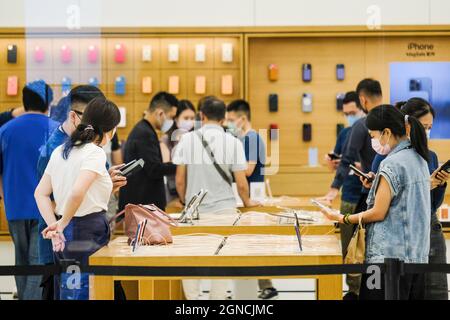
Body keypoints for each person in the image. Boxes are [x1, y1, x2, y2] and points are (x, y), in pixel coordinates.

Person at [321, 105, 431, 300]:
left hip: (387, 259)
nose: (373, 141)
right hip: (416, 258)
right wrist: (376, 184)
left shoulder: (392, 163)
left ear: (386, 132)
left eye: (373, 136)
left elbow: (379, 212)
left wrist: (343, 218)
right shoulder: (420, 158)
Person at [36, 85, 126, 300]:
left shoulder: (61, 149)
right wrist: (63, 222)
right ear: (109, 130)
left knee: (69, 290)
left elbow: (40, 193)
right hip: (86, 229)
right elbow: (76, 192)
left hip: (65, 232)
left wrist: (56, 226)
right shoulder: (93, 152)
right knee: (88, 290)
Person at [173, 97, 259, 300]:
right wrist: (247, 202)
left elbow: (179, 180)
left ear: (201, 116)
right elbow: (241, 183)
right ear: (223, 119)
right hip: (225, 212)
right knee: (220, 261)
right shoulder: (234, 142)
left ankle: (193, 301)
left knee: (191, 259)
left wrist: (186, 202)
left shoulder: (187, 139)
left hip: (195, 213)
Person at [366, 98, 448, 300]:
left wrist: (439, 184)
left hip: (425, 229)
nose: (427, 131)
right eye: (423, 126)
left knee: (435, 291)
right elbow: (383, 202)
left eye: (430, 127)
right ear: (409, 124)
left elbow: (432, 205)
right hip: (397, 240)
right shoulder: (388, 157)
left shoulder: (427, 156)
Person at [0, 80, 58, 300]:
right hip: (45, 207)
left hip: (14, 206)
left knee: (21, 260)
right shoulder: (55, 129)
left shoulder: (5, 130)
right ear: (48, 103)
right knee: (37, 262)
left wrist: (6, 196)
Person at [226, 99, 277, 300]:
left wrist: (228, 166)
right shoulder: (243, 139)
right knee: (246, 244)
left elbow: (247, 169)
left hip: (253, 195)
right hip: (246, 195)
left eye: (231, 120)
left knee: (252, 244)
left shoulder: (252, 138)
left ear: (242, 118)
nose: (229, 124)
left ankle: (265, 286)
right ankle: (251, 288)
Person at [318, 91, 366, 300]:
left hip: (367, 195)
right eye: (346, 113)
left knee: (367, 245)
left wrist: (354, 165)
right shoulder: (345, 133)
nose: (349, 116)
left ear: (362, 106)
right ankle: (353, 290)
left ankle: (369, 288)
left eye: (352, 112)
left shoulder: (369, 130)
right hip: (348, 195)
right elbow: (338, 166)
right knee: (348, 247)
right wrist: (332, 163)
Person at [119, 92, 178, 211]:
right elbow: (154, 169)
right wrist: (181, 166)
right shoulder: (144, 133)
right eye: (171, 117)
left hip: (142, 206)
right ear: (160, 113)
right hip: (143, 207)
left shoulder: (144, 130)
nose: (172, 122)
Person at [160, 99, 196, 205]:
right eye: (186, 118)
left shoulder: (197, 139)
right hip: (173, 192)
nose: (190, 121)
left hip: (194, 191)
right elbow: (166, 167)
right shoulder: (166, 140)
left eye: (192, 118)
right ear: (176, 119)